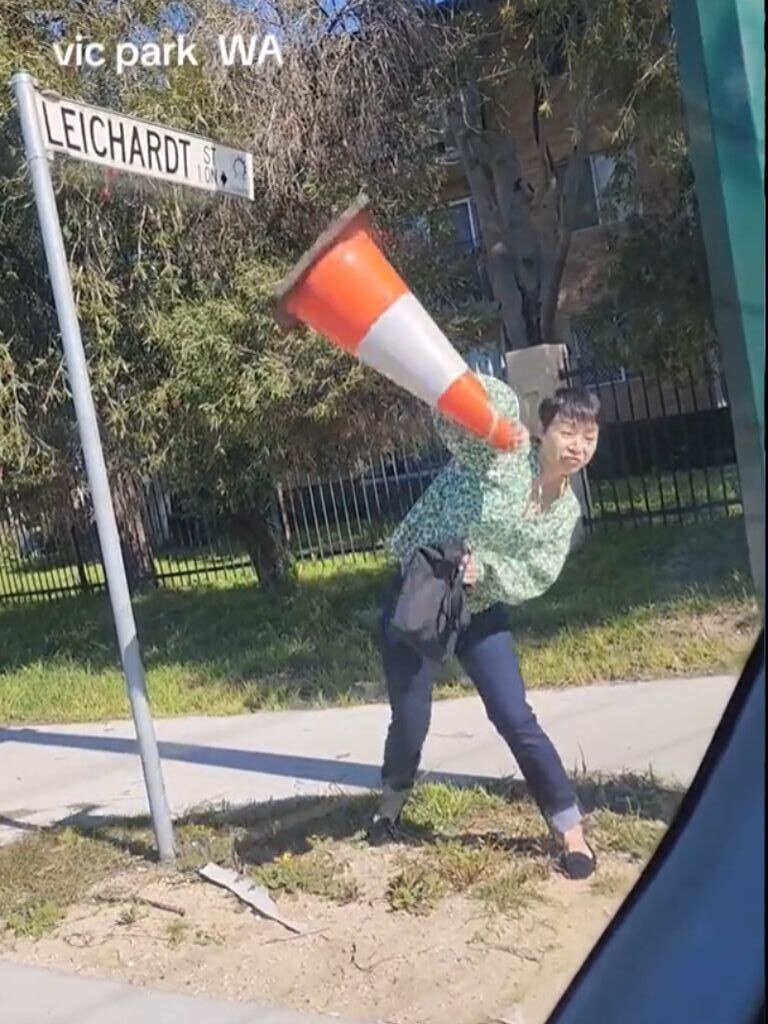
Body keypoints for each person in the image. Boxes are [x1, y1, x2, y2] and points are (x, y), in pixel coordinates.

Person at [367, 372, 601, 880]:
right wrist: (497, 417)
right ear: (542, 432)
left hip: (480, 607)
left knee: (515, 714)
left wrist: (486, 570)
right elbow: (456, 417)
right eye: (567, 431)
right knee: (410, 715)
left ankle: (569, 827)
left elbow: (537, 570)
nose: (577, 446)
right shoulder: (498, 456)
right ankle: (390, 803)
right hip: (422, 594)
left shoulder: (566, 512)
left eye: (589, 437)